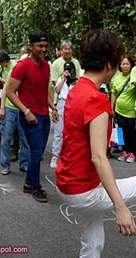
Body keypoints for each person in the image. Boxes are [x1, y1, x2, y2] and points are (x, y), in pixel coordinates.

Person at [55, 28, 136, 258]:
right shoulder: (97, 99)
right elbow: (98, 157)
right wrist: (121, 207)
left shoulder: (76, 90)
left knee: (93, 243)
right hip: (85, 190)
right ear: (110, 65)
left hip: (66, 183)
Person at [6, 31, 58, 203]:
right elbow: (10, 92)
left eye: (45, 46)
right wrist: (26, 111)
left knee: (39, 151)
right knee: (36, 152)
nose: (43, 49)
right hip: (30, 116)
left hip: (44, 115)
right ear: (31, 46)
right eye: (39, 46)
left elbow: (43, 91)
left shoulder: (46, 66)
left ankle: (28, 183)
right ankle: (36, 187)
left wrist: (53, 107)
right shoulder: (22, 66)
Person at [49, 40, 81, 169]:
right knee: (59, 129)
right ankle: (55, 155)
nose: (67, 51)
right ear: (61, 51)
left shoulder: (76, 62)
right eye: (64, 49)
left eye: (69, 48)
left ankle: (71, 155)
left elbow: (79, 81)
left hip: (74, 99)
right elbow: (55, 88)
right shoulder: (57, 64)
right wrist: (64, 77)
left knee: (74, 129)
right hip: (61, 99)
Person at [0, 50, 30, 175]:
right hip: (10, 108)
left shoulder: (32, 72)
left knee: (25, 139)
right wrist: (2, 108)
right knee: (6, 137)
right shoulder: (14, 71)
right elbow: (5, 90)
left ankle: (24, 164)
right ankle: (5, 165)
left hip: (24, 109)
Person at [110, 55, 136, 163]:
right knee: (123, 131)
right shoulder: (116, 78)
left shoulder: (134, 76)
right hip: (119, 110)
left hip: (131, 110)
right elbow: (113, 93)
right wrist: (111, 107)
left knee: (132, 132)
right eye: (123, 64)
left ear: (131, 65)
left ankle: (132, 152)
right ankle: (124, 150)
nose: (125, 66)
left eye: (127, 64)